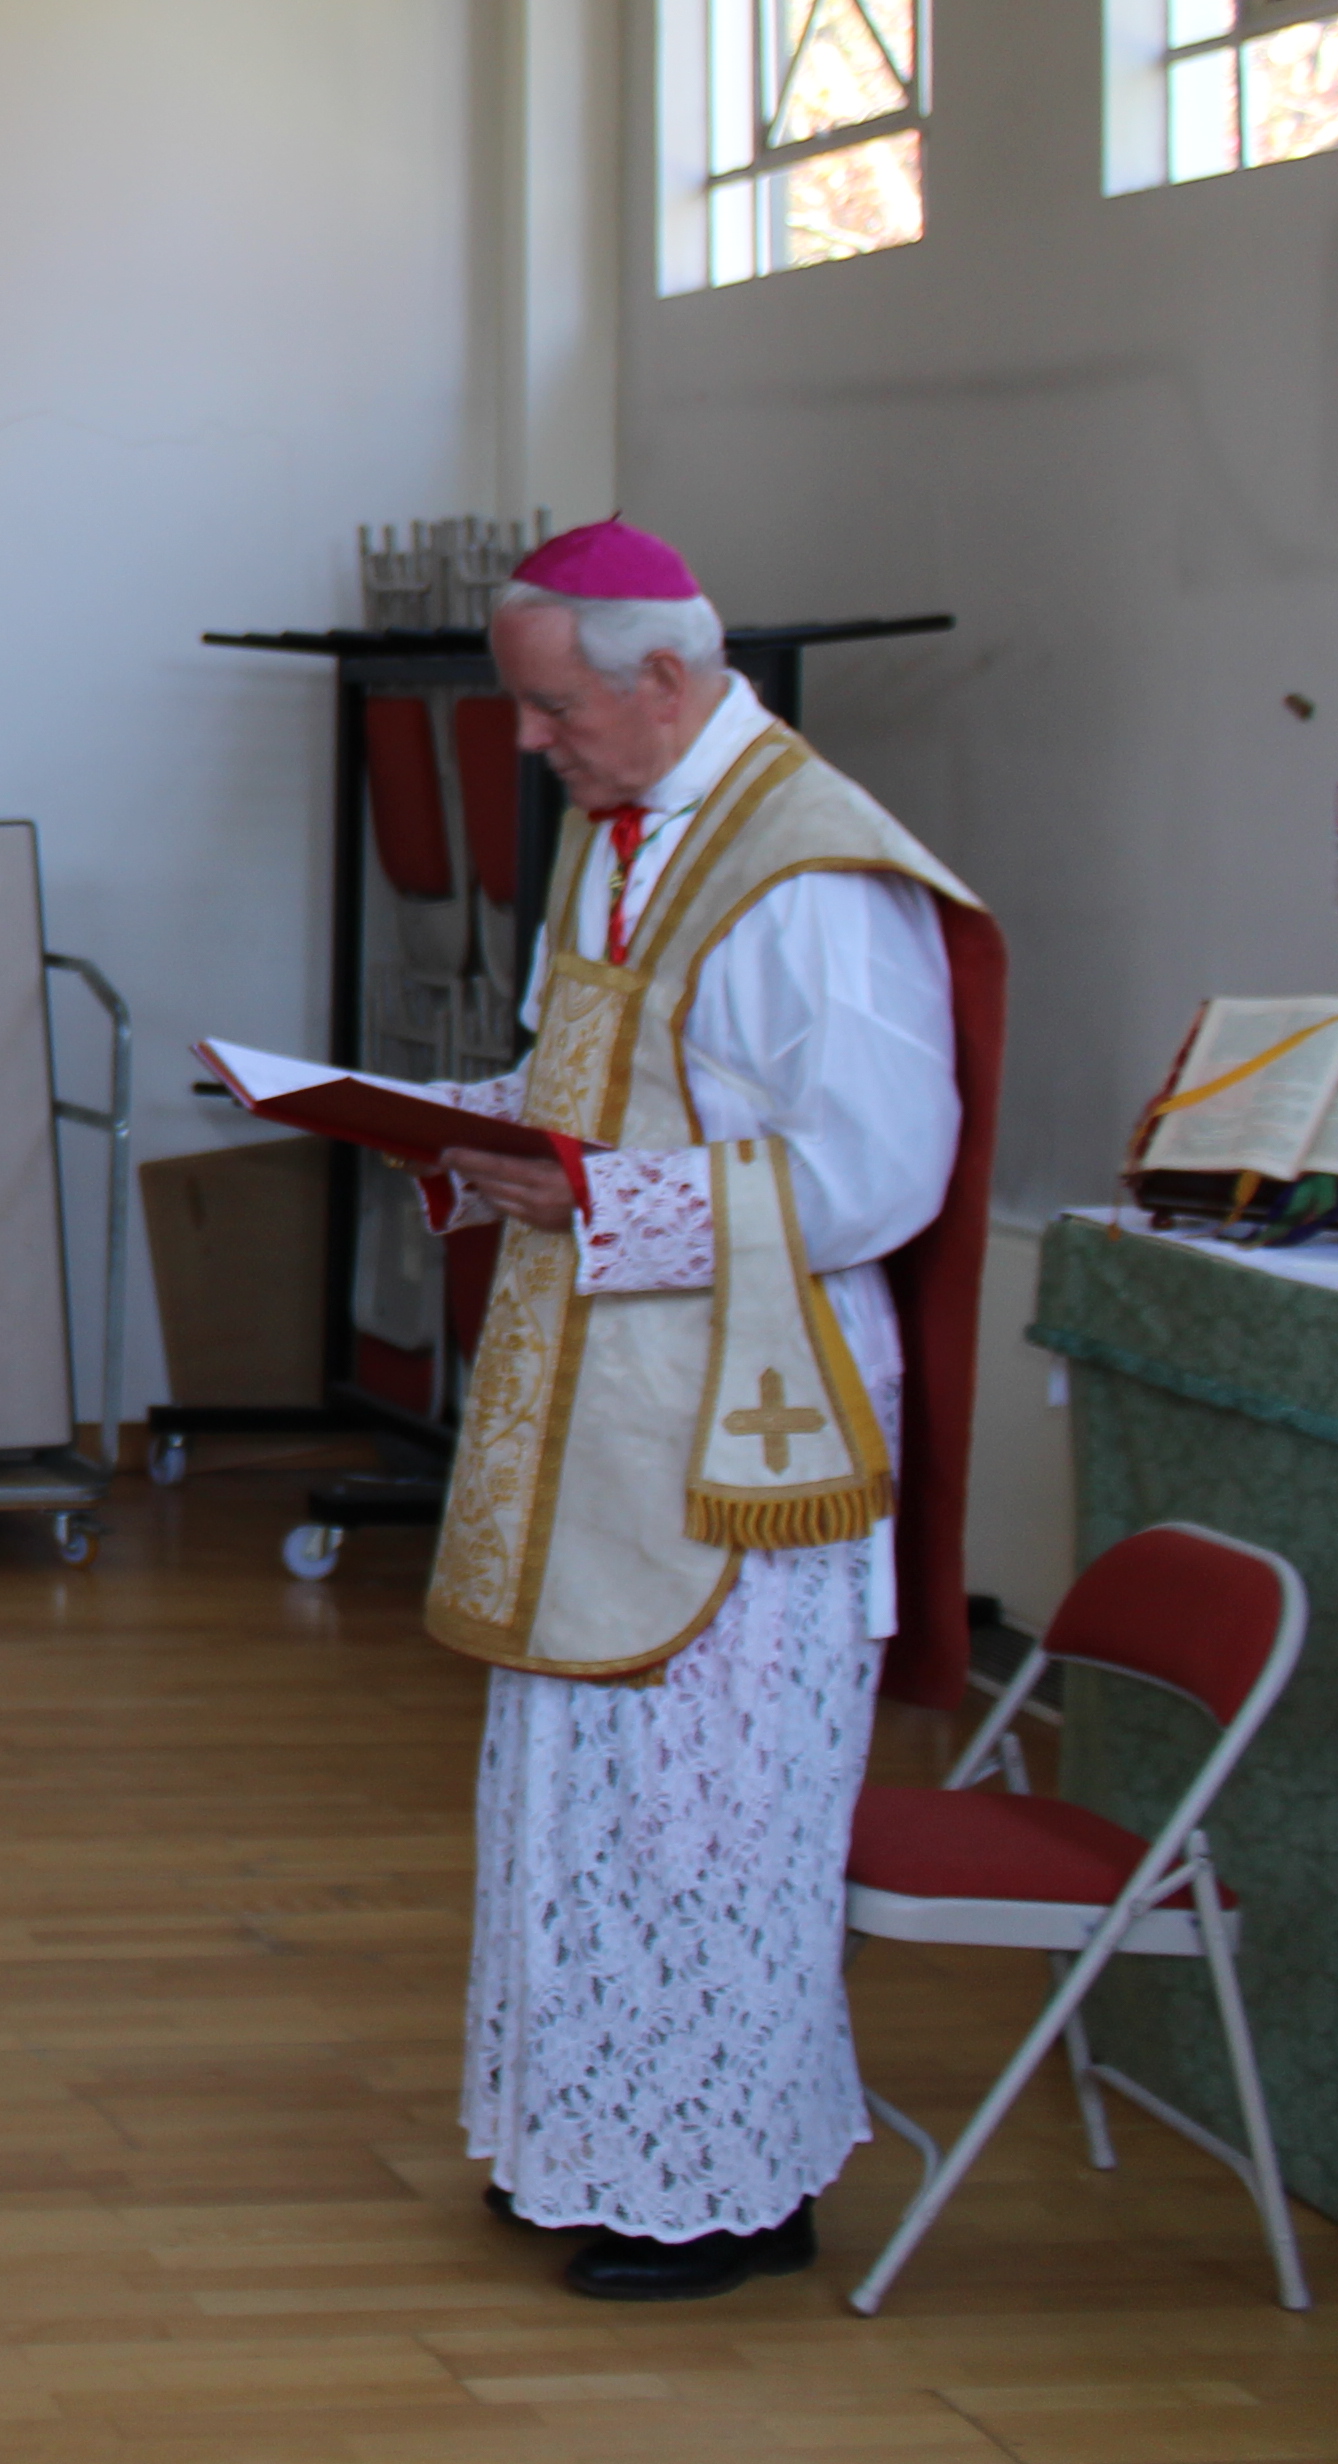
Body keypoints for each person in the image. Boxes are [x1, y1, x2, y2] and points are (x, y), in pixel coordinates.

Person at [415, 520, 1002, 2304]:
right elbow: (594, 1085)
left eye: (546, 708)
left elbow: (881, 1174)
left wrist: (596, 1199)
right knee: (580, 1799)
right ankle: (596, 2143)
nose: (526, 743)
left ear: (659, 680)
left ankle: (730, 2187)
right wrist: (451, 1125)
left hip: (749, 1422)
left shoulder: (807, 875)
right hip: (610, 1392)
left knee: (711, 1820)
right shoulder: (629, 835)